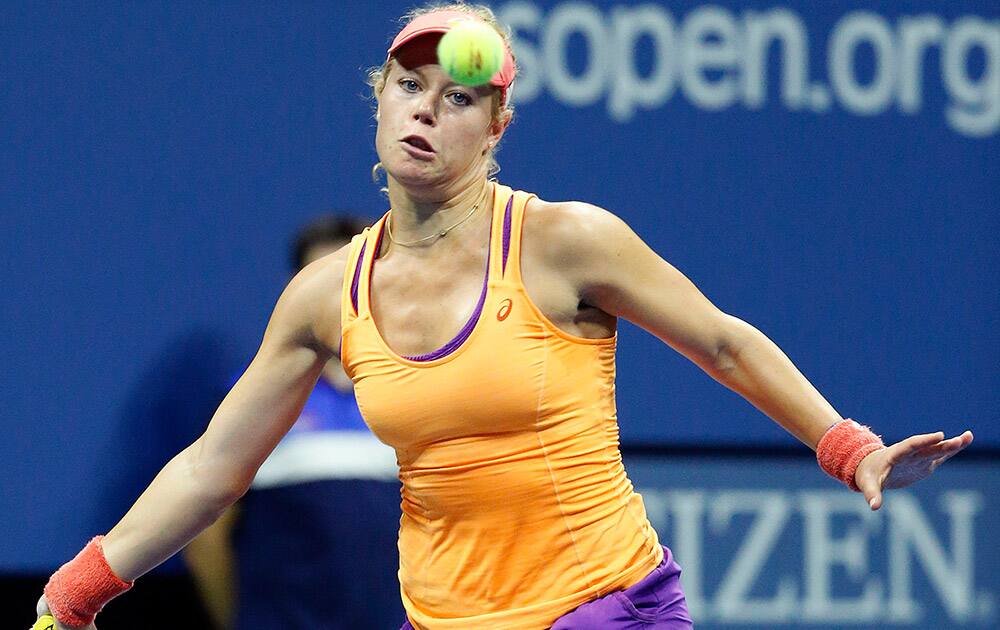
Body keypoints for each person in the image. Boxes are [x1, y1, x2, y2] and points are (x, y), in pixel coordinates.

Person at [36, 3, 974, 629]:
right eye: (409, 87)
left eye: (459, 100)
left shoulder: (566, 241)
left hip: (603, 608)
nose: (426, 113)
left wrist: (848, 446)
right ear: (379, 101)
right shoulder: (327, 294)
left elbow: (722, 342)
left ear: (495, 130)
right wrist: (83, 588)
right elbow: (214, 465)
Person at [181, 215, 403, 629]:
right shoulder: (255, 397)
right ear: (296, 293)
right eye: (322, 281)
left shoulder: (418, 392)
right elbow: (205, 539)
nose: (338, 298)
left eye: (353, 280)